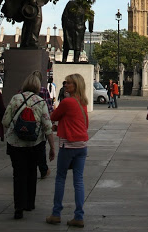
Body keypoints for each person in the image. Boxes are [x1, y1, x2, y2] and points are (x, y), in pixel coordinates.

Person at [2, 71, 55, 220]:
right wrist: (52, 147)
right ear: (38, 86)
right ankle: (29, 203)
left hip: (15, 143)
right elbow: (47, 126)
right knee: (32, 173)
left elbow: (5, 121)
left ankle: (18, 207)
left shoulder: (15, 99)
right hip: (35, 143)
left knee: (18, 175)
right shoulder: (40, 101)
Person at [46, 73, 89, 228]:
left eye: (68, 83)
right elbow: (84, 124)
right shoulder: (82, 102)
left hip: (68, 145)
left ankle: (56, 213)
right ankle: (79, 215)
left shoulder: (67, 102)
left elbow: (53, 116)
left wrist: (58, 124)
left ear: (75, 86)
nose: (65, 85)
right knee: (78, 181)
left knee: (60, 178)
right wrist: (62, 126)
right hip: (82, 145)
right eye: (65, 83)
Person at [33, 70, 54, 179]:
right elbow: (49, 108)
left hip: (24, 125)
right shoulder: (44, 91)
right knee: (40, 148)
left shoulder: (20, 92)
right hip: (40, 124)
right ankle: (43, 169)